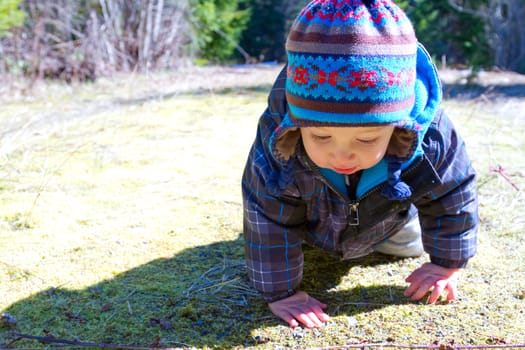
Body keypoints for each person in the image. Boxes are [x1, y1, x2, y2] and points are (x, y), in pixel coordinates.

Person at [241, 0, 478, 329]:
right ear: (298, 123)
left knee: (405, 247)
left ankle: (388, 237)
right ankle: (312, 242)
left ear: (398, 126)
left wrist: (446, 263)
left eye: (366, 140)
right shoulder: (278, 138)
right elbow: (264, 211)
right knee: (285, 232)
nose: (341, 156)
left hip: (389, 217)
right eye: (321, 137)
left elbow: (454, 192)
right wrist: (281, 292)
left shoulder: (430, 136)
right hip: (311, 223)